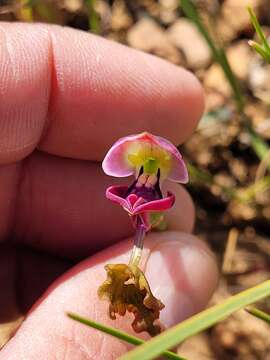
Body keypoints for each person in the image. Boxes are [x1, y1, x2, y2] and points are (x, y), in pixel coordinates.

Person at [0, 22, 218, 359]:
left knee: (148, 224)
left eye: (152, 167)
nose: (146, 173)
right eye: (142, 166)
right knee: (141, 232)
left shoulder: (156, 175)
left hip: (152, 208)